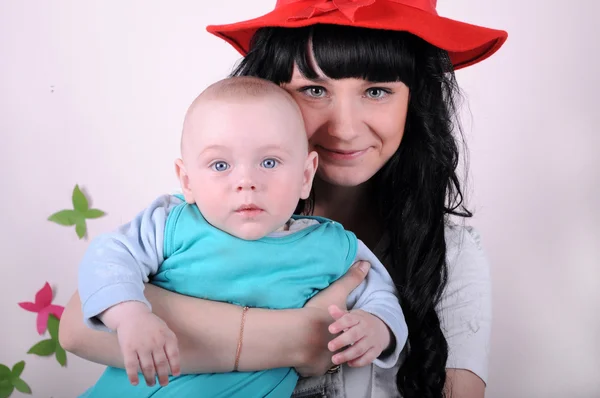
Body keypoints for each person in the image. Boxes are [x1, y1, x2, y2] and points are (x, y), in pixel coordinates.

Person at [59, 1, 508, 397]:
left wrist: (375, 328)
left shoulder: (452, 254)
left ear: (416, 103)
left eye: (377, 91)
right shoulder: (198, 221)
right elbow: (79, 326)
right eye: (314, 89)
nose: (346, 127)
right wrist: (298, 340)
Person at [76, 76, 407, 398]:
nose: (246, 181)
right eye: (220, 165)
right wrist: (130, 316)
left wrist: (375, 326)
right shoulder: (171, 224)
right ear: (187, 181)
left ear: (305, 175)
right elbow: (108, 256)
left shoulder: (332, 246)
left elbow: (380, 295)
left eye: (269, 161)